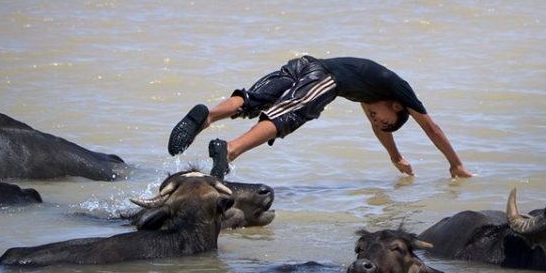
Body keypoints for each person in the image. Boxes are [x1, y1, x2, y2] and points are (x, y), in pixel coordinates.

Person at [167, 55, 473, 180]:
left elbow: (378, 128)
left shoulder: (370, 93)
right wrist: (455, 163)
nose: (376, 122)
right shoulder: (400, 91)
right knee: (287, 115)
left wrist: (395, 156)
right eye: (382, 120)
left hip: (302, 63)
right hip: (323, 77)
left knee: (251, 100)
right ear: (395, 108)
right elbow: (431, 128)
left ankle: (206, 117)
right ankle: (230, 150)